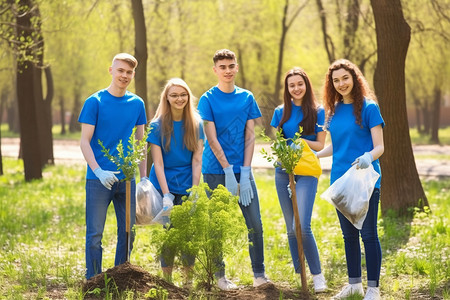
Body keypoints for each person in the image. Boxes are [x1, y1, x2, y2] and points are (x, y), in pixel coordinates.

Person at [197, 49, 270, 290]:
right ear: (215, 70)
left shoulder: (247, 97)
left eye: (231, 66)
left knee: (255, 224)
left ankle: (259, 275)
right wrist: (228, 170)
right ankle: (219, 277)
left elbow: (250, 136)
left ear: (236, 67)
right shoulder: (207, 99)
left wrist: (246, 171)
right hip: (216, 171)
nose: (227, 71)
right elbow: (211, 137)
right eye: (223, 67)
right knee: (219, 224)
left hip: (243, 171)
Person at [316, 59, 384, 300]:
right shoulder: (331, 111)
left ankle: (373, 288)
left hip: (366, 181)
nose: (341, 83)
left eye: (345, 78)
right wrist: (315, 154)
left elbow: (380, 147)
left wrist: (368, 156)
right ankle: (354, 285)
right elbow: (336, 146)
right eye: (336, 80)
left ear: (354, 78)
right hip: (340, 182)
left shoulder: (369, 107)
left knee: (368, 235)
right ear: (331, 84)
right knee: (348, 236)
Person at [79, 53, 147, 279]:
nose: (124, 75)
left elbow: (140, 143)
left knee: (128, 232)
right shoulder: (94, 102)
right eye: (120, 71)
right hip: (98, 180)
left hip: (127, 179)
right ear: (111, 70)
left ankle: (120, 278)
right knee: (95, 234)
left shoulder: (137, 103)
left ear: (133, 75)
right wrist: (98, 170)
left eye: (129, 72)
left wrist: (144, 178)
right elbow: (84, 141)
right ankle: (94, 281)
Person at [270, 67, 327, 293]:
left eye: (300, 84)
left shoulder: (319, 111)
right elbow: (277, 144)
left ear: (306, 85)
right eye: (291, 85)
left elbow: (321, 145)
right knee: (291, 228)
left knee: (301, 225)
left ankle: (317, 275)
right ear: (287, 88)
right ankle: (300, 271)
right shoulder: (280, 112)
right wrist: (285, 146)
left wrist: (300, 142)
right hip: (283, 171)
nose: (296, 88)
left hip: (307, 171)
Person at [147, 78, 204, 285]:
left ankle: (188, 280)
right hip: (165, 183)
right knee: (170, 233)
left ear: (188, 97)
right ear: (167, 98)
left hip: (189, 182)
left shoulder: (197, 123)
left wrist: (195, 191)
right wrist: (166, 194)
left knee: (189, 232)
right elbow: (159, 163)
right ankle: (167, 280)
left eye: (183, 94)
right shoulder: (156, 126)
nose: (179, 99)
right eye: (174, 95)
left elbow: (197, 160)